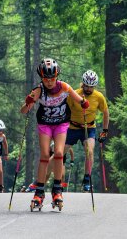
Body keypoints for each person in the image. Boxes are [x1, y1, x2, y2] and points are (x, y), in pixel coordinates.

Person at [20, 58, 89, 208]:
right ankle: (39, 192)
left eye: (52, 78)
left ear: (57, 76)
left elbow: (79, 100)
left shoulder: (64, 87)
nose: (49, 81)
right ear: (41, 77)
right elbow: (24, 111)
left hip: (61, 124)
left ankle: (57, 190)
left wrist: (84, 103)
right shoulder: (38, 90)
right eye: (46, 78)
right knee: (45, 155)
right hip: (45, 124)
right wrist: (27, 103)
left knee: (58, 153)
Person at [65, 70, 109, 192]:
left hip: (89, 128)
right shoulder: (75, 94)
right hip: (72, 128)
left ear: (95, 86)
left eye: (91, 86)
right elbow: (65, 111)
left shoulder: (99, 97)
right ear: (82, 84)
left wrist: (105, 130)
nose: (89, 89)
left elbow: (105, 113)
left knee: (89, 151)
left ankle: (86, 179)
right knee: (59, 153)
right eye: (86, 86)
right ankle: (44, 181)